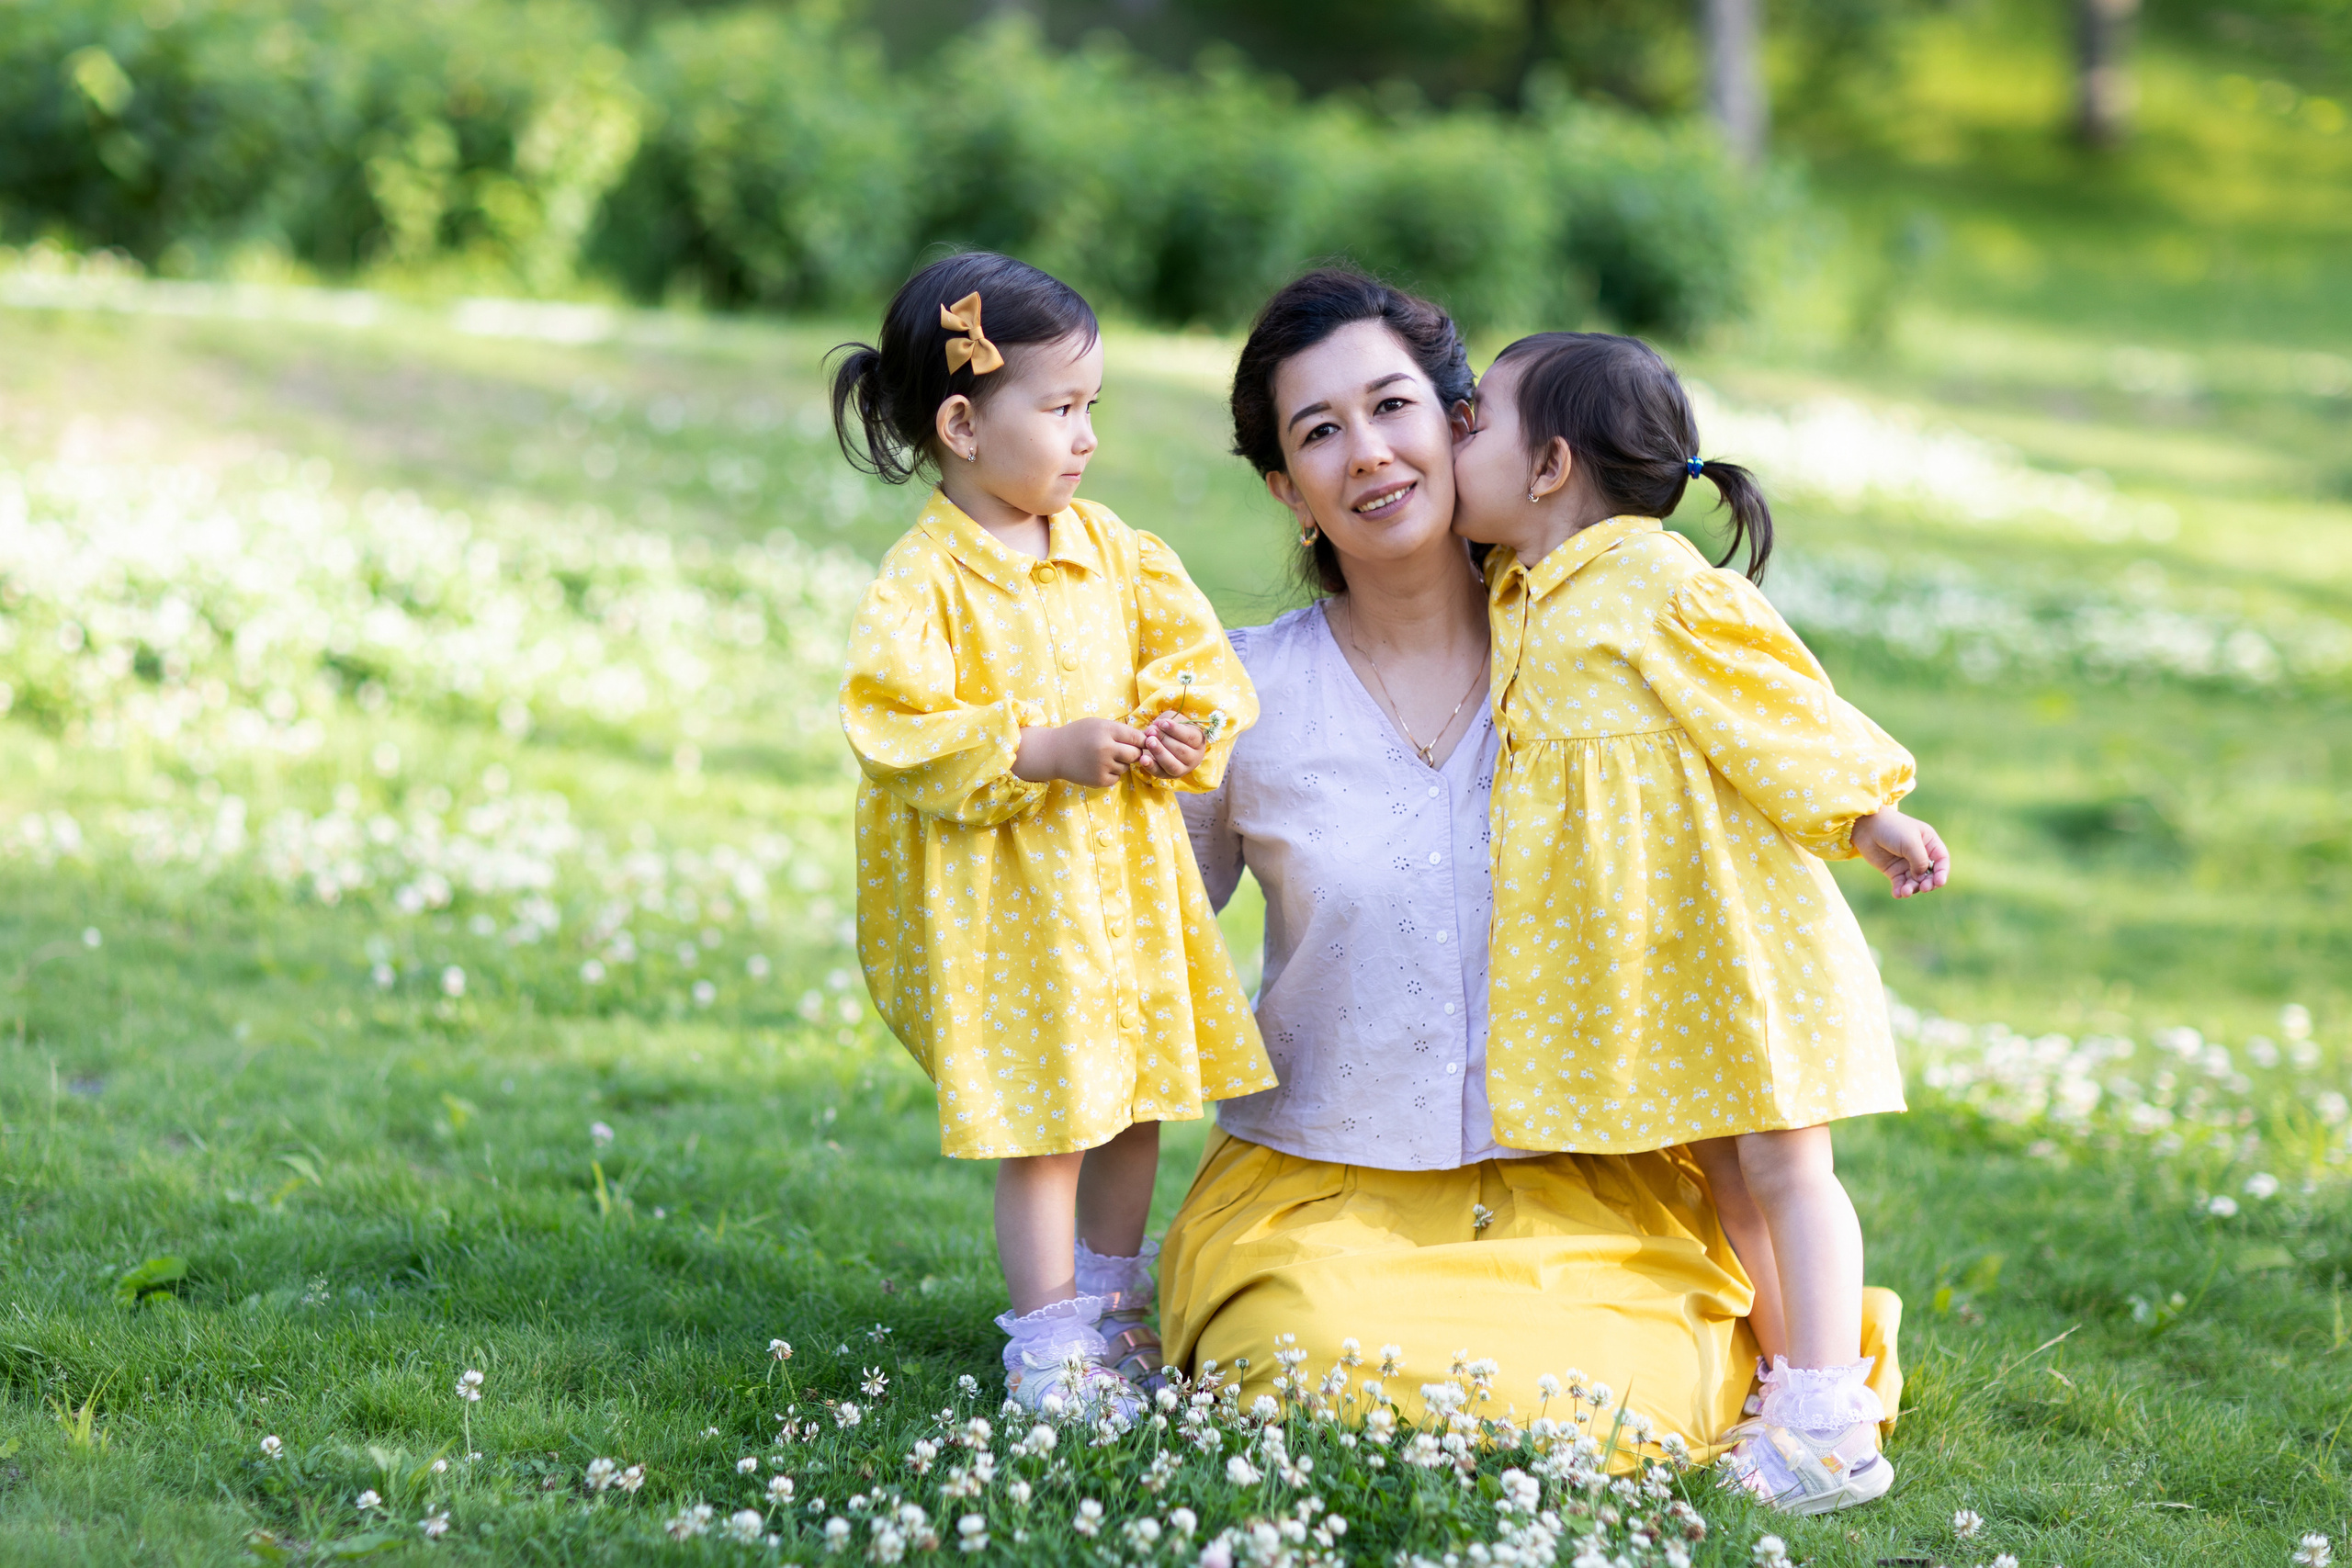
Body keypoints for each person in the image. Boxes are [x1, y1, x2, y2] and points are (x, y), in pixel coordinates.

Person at [1159, 268, 1904, 1468]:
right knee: (1314, 1360)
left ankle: (1795, 1383)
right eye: (1319, 431)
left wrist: (1868, 815)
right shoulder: (1239, 690)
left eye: (1396, 406)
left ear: (1468, 429)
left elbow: (1774, 724)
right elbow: (1141, 939)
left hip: (1584, 1187)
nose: (1369, 454)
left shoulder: (1612, 657)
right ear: (1286, 489)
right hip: (1322, 1194)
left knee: (1611, 1399)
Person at [1449, 330, 1950, 1514]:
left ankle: (1833, 1419)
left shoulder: (1652, 581)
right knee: (1728, 1177)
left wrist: (1866, 811)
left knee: (1784, 1164)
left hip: (1727, 935)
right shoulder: (1523, 584)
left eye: (1476, 425)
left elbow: (1774, 699)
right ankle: (1791, 1389)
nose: (1452, 441)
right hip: (1651, 950)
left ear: (1548, 467)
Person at [831, 251, 1275, 1416]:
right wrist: (1039, 749)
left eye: (1093, 409)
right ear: (965, 424)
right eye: (1061, 409)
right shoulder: (927, 577)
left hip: (1122, 887)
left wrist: (1181, 726)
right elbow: (894, 721)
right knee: (1049, 1119)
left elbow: (1195, 655)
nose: (1085, 438)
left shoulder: (1109, 546)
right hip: (1017, 903)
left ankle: (1114, 1304)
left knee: (1133, 1100)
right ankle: (1046, 1345)